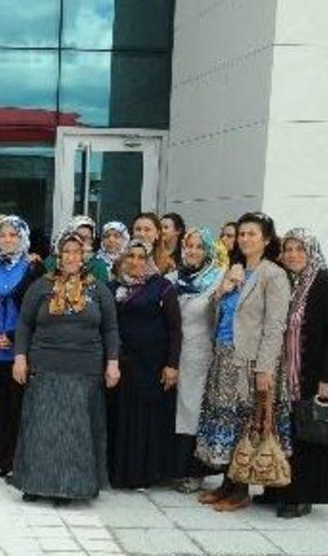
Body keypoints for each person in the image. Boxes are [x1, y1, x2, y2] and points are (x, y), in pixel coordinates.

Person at [11, 232, 120, 505]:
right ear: (58, 256)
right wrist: (20, 358)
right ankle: (35, 484)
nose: (71, 257)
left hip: (84, 369)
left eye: (76, 252)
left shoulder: (99, 289)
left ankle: (70, 488)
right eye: (66, 252)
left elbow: (110, 328)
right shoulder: (40, 286)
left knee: (74, 431)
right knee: (41, 427)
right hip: (45, 367)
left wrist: (113, 363)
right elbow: (24, 324)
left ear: (84, 256)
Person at [196, 212, 291, 512]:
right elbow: (214, 314)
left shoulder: (273, 275)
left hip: (249, 361)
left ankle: (240, 490)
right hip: (223, 355)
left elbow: (275, 326)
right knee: (223, 419)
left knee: (243, 423)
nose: (245, 239)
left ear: (266, 239)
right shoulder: (234, 270)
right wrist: (222, 290)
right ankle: (227, 483)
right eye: (241, 234)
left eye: (252, 234)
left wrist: (264, 368)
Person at [263, 228, 328, 518]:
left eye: (300, 249)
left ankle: (302, 496)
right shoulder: (287, 282)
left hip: (314, 377)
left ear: (311, 252)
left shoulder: (327, 285)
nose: (293, 255)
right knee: (287, 433)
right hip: (286, 376)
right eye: (288, 249)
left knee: (310, 436)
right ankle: (279, 488)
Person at [106, 240, 183, 490]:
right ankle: (118, 473)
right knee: (120, 416)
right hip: (122, 363)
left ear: (149, 260)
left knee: (144, 419)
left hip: (152, 364)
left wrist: (172, 364)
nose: (136, 261)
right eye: (131, 256)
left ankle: (142, 475)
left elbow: (175, 328)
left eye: (142, 257)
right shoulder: (113, 287)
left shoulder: (162, 287)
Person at [0, 216, 43, 479]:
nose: (8, 239)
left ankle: (17, 461)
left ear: (23, 238)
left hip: (20, 350)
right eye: (3, 235)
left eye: (13, 235)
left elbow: (38, 311)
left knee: (18, 407)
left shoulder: (34, 269)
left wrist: (12, 336)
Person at [171, 228, 224, 493]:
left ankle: (193, 471)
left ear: (209, 251)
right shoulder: (173, 278)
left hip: (200, 354)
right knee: (174, 410)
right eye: (189, 246)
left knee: (192, 411)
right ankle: (171, 468)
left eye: (199, 246)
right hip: (173, 354)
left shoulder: (218, 279)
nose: (192, 251)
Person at [44, 216, 110, 283]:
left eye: (87, 238)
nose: (82, 241)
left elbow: (102, 288)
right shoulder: (53, 260)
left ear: (91, 241)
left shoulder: (98, 264)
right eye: (79, 236)